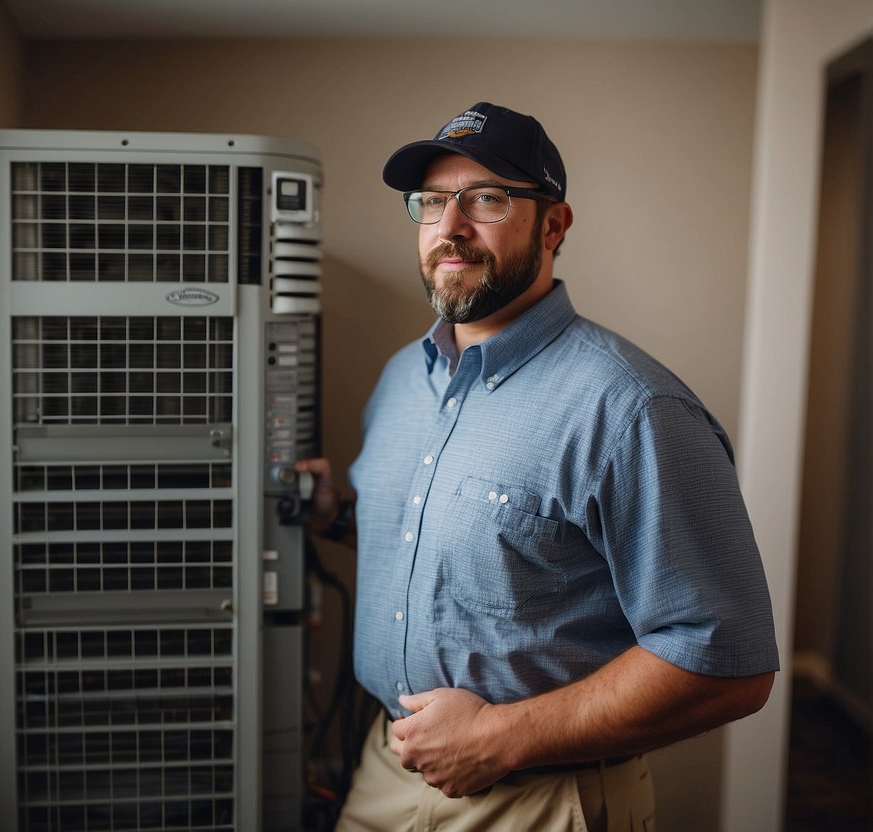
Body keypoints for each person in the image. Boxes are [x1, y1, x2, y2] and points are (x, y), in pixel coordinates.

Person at [295, 102, 778, 831]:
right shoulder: (402, 378)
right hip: (384, 770)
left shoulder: (630, 408)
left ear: (552, 226)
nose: (449, 226)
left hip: (540, 799)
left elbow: (727, 663)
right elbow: (474, 552)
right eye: (431, 202)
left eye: (486, 198)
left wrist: (497, 737)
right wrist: (339, 515)